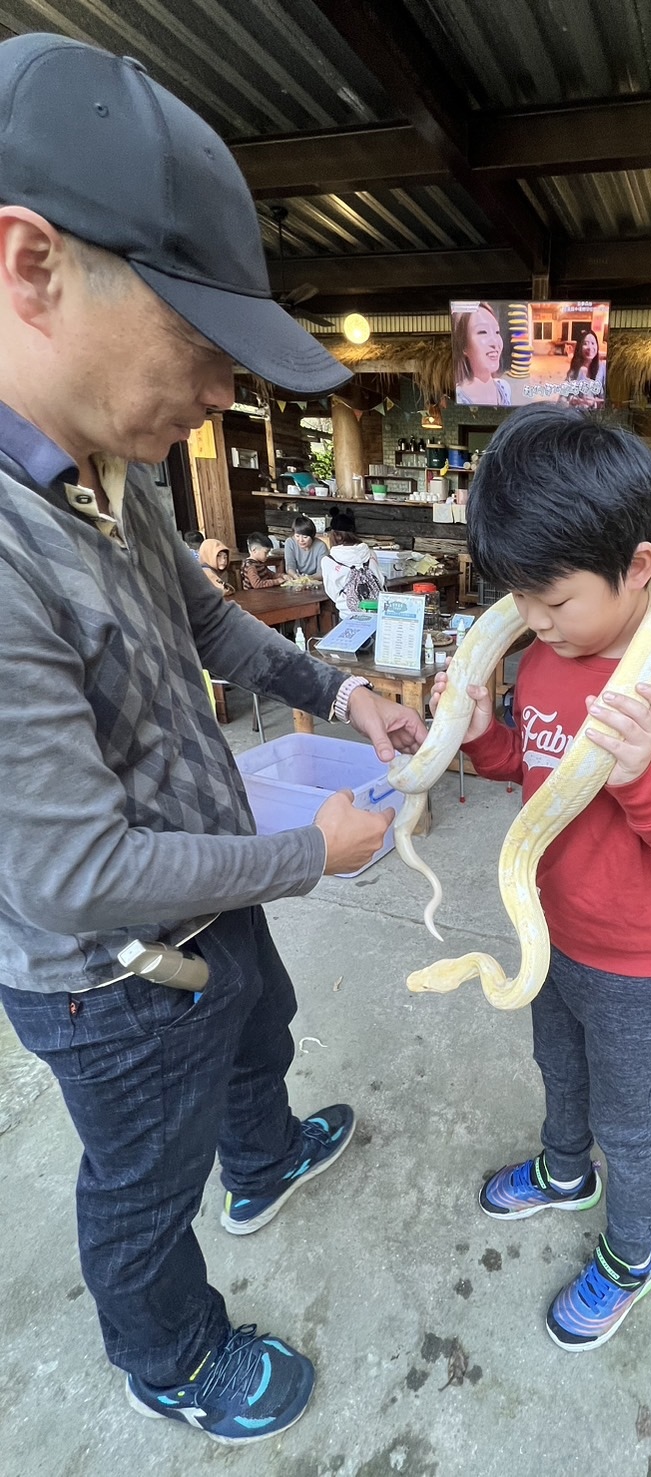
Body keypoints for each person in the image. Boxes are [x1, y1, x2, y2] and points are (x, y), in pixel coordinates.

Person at [0, 33, 427, 1446]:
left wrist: (339, 691)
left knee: (257, 1021)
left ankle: (265, 1154)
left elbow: (219, 635)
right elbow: (69, 876)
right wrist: (309, 849)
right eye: (197, 343)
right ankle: (171, 1351)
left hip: (212, 883)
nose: (220, 397)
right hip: (104, 972)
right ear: (32, 264)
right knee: (141, 1175)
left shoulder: (115, 478)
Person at [431, 406, 651, 1351]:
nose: (534, 622)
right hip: (550, 929)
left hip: (641, 957)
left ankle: (632, 1252)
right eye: (520, 602)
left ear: (637, 567)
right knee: (558, 1070)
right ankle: (561, 1168)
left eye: (553, 599)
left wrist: (644, 784)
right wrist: (481, 739)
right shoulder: (545, 659)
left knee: (632, 1116)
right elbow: (533, 766)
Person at [453, 301, 512, 407]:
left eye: (497, 332)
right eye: (483, 332)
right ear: (464, 346)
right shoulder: (459, 397)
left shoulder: (504, 387)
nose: (495, 343)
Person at [321, 528, 382, 611]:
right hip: (376, 609)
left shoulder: (329, 560)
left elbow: (332, 592)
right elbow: (380, 580)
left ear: (335, 536)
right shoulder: (370, 553)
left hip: (347, 612)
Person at [563, 328, 605, 408]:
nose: (590, 347)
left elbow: (609, 401)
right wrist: (572, 400)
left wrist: (594, 403)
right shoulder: (574, 370)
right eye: (585, 343)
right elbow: (563, 396)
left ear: (597, 346)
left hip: (595, 417)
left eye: (593, 343)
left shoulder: (603, 369)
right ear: (580, 347)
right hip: (576, 415)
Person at [284, 513, 326, 579]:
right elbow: (290, 566)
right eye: (297, 536)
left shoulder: (321, 546)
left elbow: (321, 572)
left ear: (312, 536)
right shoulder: (290, 542)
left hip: (315, 580)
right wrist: (295, 576)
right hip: (298, 578)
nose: (301, 540)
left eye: (305, 537)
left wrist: (308, 578)